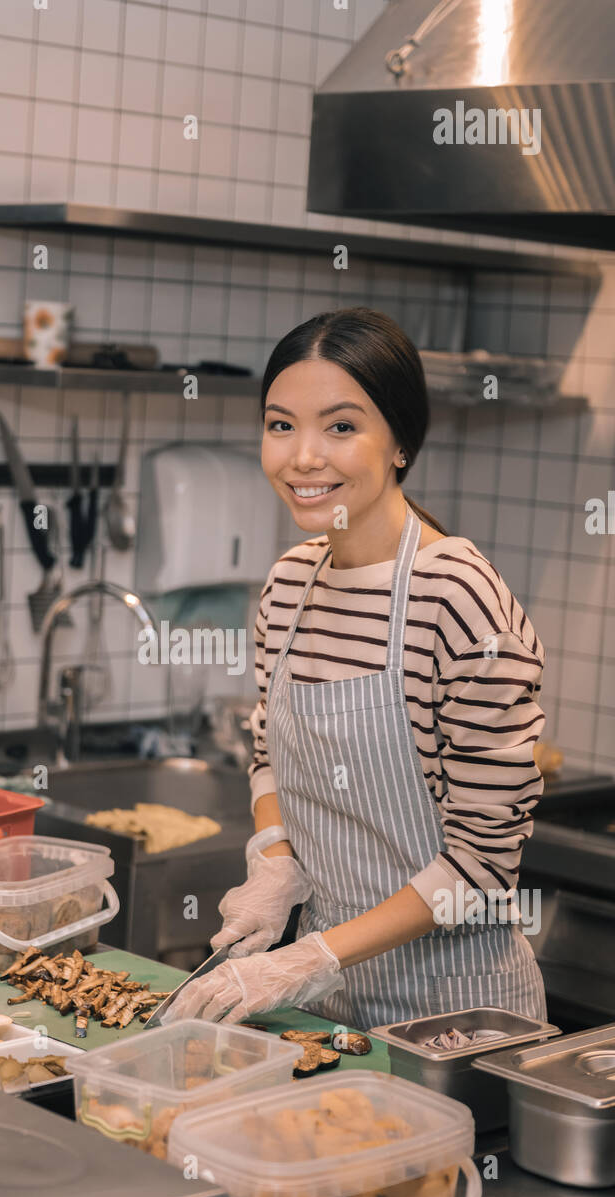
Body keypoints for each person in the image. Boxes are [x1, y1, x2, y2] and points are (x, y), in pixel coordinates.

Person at [163, 307, 547, 1029]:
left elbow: (484, 866)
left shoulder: (456, 594)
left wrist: (312, 957)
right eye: (281, 425)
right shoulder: (288, 585)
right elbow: (269, 752)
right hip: (323, 1009)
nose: (304, 457)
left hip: (454, 1017)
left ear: (401, 442)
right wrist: (275, 858)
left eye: (341, 426)